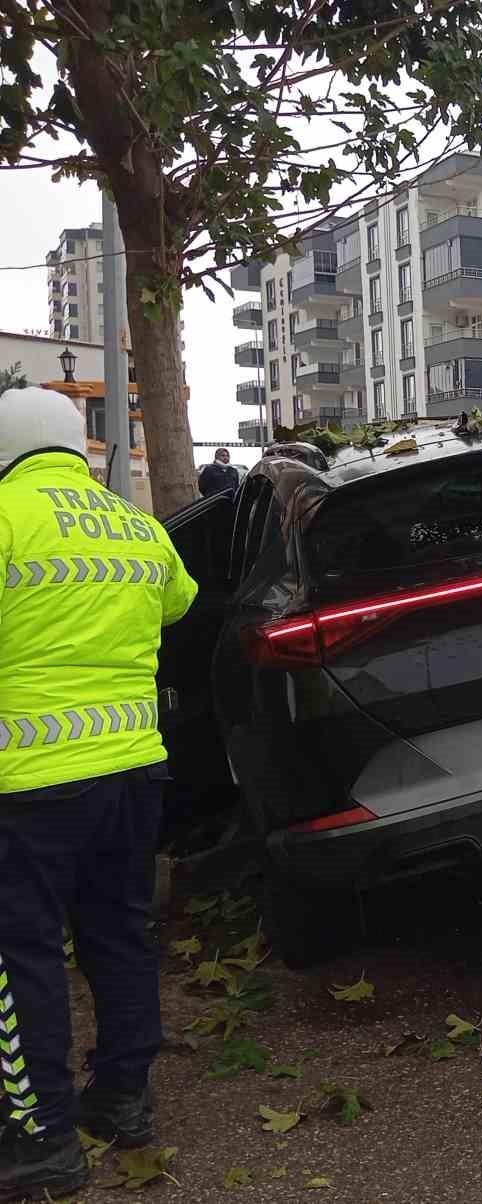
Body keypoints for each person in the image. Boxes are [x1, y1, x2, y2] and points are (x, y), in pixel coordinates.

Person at [0, 388, 199, 1198]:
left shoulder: (7, 515)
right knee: (119, 932)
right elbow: (181, 603)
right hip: (133, 771)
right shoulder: (136, 524)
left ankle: (41, 1139)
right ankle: (123, 1099)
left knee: (22, 956)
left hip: (32, 783)